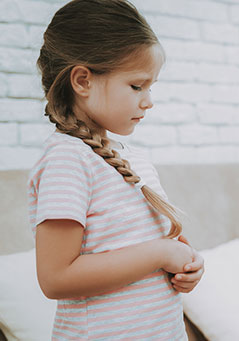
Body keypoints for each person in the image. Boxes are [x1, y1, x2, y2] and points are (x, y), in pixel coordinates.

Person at [29, 0, 204, 339]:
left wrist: (186, 265)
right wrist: (162, 253)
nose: (148, 99)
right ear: (82, 81)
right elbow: (55, 278)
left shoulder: (133, 158)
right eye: (137, 86)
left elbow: (145, 249)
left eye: (151, 87)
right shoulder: (67, 161)